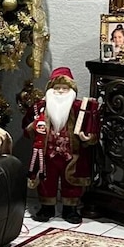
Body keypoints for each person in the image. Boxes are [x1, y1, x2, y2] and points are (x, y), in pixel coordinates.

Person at [23, 67, 100, 225]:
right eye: (56, 88)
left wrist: (88, 136)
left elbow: (91, 127)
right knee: (46, 180)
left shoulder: (79, 108)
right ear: (50, 90)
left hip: (72, 154)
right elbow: (27, 125)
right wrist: (33, 127)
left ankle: (70, 209)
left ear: (71, 90)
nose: (60, 92)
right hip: (47, 154)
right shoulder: (40, 108)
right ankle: (47, 207)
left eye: (64, 88)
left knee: (71, 182)